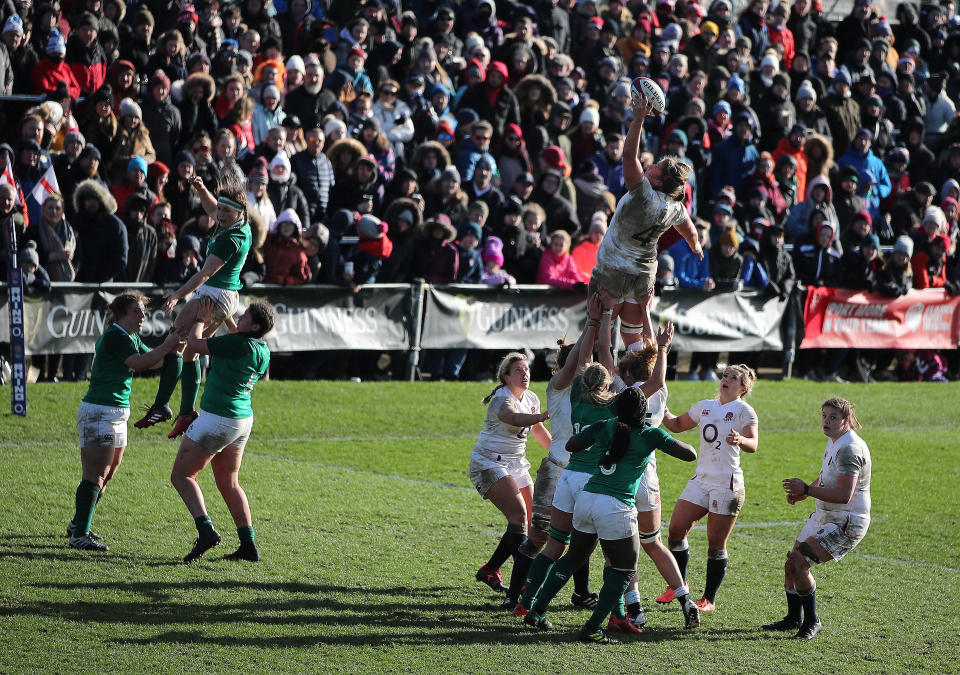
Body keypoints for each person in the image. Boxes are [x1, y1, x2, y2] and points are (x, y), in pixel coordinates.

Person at [523, 387, 698, 644]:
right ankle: (593, 628)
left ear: (616, 409)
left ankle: (536, 610)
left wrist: (598, 436)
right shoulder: (650, 435)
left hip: (587, 498)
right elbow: (689, 454)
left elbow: (572, 444)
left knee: (573, 556)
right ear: (642, 413)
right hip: (616, 507)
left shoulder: (605, 426)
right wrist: (659, 438)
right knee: (624, 569)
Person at [597, 319, 700, 630]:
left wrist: (603, 319)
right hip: (649, 477)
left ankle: (635, 609)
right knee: (653, 542)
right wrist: (660, 338)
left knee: (620, 552)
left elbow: (604, 352)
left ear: (627, 375)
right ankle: (685, 597)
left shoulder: (620, 392)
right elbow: (657, 368)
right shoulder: (659, 389)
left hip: (621, 483)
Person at [503, 293, 604, 608]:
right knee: (539, 538)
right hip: (557, 469)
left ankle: (581, 593)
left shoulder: (585, 392)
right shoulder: (558, 386)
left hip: (579, 472)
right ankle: (514, 596)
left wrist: (602, 320)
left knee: (580, 535)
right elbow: (580, 360)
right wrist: (592, 321)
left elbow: (590, 360)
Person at [135, 176, 252, 438]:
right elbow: (212, 208)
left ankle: (162, 405)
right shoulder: (240, 223)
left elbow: (205, 274)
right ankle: (186, 411)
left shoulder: (229, 240)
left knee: (176, 339)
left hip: (214, 294)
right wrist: (201, 189)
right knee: (191, 351)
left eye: (226, 210)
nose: (219, 214)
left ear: (239, 211)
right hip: (224, 296)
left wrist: (177, 294)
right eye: (220, 208)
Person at [68, 291, 184, 550]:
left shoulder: (129, 336)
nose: (142, 314)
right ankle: (79, 535)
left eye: (143, 310)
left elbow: (153, 362)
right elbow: (140, 363)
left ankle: (79, 524)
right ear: (121, 314)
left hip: (116, 413)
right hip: (100, 411)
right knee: (95, 474)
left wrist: (174, 344)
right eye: (136, 310)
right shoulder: (115, 336)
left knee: (109, 472)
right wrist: (168, 345)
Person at [589, 94, 701, 347]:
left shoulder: (644, 194)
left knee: (596, 331)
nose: (650, 166)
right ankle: (639, 383)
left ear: (659, 181)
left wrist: (638, 117)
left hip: (613, 270)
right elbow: (690, 232)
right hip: (643, 275)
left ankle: (599, 382)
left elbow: (628, 156)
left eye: (656, 167)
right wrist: (696, 247)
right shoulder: (675, 206)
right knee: (632, 339)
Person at [170, 297, 274, 563]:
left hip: (217, 419)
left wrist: (201, 319)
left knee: (182, 476)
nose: (239, 318)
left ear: (254, 326)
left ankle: (206, 531)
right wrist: (226, 314)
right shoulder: (261, 349)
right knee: (229, 481)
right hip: (241, 421)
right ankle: (248, 545)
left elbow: (193, 344)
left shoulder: (236, 343)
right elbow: (237, 337)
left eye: (245, 316)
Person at [764, 397, 871, 640]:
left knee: (800, 562)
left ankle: (812, 622)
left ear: (846, 421)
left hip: (846, 522)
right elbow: (827, 478)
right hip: (825, 514)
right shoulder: (835, 441)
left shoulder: (850, 448)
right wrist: (805, 492)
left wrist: (807, 489)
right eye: (824, 416)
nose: (826, 421)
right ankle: (793, 619)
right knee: (791, 563)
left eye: (833, 417)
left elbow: (844, 495)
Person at [657, 364, 760, 612]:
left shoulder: (744, 411)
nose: (726, 380)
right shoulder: (705, 406)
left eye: (733, 378)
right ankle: (679, 586)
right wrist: (658, 404)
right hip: (701, 479)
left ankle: (709, 599)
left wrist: (741, 439)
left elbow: (753, 444)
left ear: (743, 388)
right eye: (725, 375)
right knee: (676, 530)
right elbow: (675, 424)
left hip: (727, 483)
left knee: (715, 543)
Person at [472, 352, 551, 598]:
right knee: (518, 517)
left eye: (526, 369)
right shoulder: (501, 399)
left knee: (534, 523)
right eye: (518, 370)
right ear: (506, 377)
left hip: (516, 465)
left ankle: (491, 569)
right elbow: (512, 417)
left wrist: (561, 455)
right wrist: (543, 415)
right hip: (488, 463)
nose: (524, 373)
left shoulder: (531, 398)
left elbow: (537, 430)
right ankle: (524, 581)